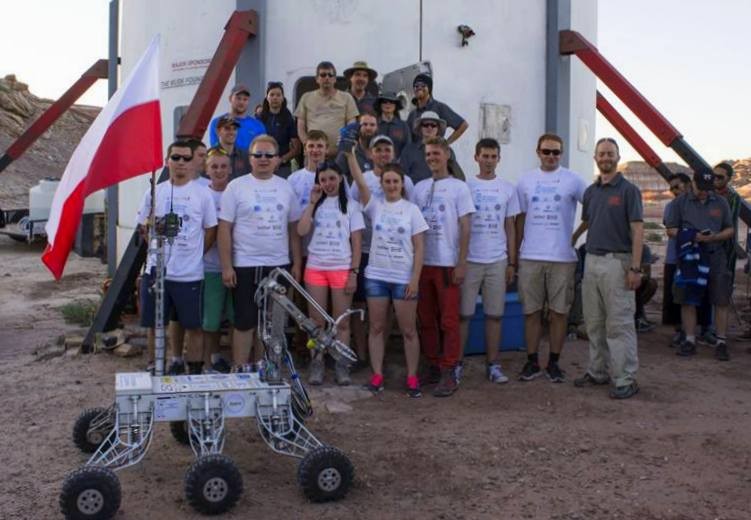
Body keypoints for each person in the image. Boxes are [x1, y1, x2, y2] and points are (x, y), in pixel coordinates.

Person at [218, 135, 303, 372]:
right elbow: (224, 228)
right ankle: (240, 369)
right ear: (250, 158)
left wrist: (296, 263)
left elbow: (294, 229)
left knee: (271, 322)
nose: (263, 159)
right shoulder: (236, 187)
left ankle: (263, 369)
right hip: (245, 264)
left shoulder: (285, 187)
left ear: (277, 159)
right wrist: (227, 266)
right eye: (258, 155)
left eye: (268, 155)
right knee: (245, 321)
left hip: (278, 265)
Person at [347, 151, 428, 398]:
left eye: (395, 181)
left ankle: (412, 377)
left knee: (408, 330)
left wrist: (415, 279)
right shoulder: (375, 206)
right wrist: (350, 154)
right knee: (376, 327)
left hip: (403, 278)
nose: (391, 185)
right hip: (377, 276)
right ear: (381, 184)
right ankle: (377, 375)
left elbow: (419, 247)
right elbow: (360, 182)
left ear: (402, 184)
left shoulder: (412, 210)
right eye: (387, 181)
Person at [136, 140, 218, 375]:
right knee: (155, 324)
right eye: (176, 157)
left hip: (189, 274)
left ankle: (194, 370)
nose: (181, 162)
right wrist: (155, 247)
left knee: (193, 325)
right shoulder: (154, 192)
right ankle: (154, 366)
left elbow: (210, 229)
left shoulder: (203, 194)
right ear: (167, 161)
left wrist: (196, 253)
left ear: (193, 162)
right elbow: (143, 227)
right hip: (157, 271)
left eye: (186, 158)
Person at [572, 138, 643, 400]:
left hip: (617, 262)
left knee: (619, 323)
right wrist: (572, 238)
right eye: (601, 154)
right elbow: (589, 221)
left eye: (610, 154)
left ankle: (625, 378)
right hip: (592, 261)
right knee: (594, 322)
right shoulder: (591, 192)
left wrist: (635, 268)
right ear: (595, 157)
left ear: (617, 157)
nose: (605, 158)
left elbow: (638, 230)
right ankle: (597, 371)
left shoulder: (628, 191)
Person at [516, 133, 587, 383]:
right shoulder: (525, 180)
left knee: (559, 313)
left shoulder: (573, 180)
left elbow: (592, 207)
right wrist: (516, 253)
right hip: (530, 256)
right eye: (546, 151)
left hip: (562, 258)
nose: (551, 156)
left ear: (561, 154)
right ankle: (532, 361)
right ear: (538, 152)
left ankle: (554, 362)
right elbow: (520, 218)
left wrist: (575, 236)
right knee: (531, 312)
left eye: (556, 152)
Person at [411, 136, 474, 397]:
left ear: (447, 155)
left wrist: (461, 262)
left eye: (436, 153)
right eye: (428, 154)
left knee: (448, 320)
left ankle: (449, 370)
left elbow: (466, 226)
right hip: (423, 263)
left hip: (447, 263)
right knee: (426, 319)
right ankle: (433, 365)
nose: (432, 158)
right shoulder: (419, 188)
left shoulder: (459, 188)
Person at [348, 135, 416, 364]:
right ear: (370, 153)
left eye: (387, 149)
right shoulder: (365, 183)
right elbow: (354, 204)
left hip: (396, 258)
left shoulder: (407, 186)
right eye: (378, 149)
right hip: (365, 252)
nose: (383, 153)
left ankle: (381, 354)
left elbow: (413, 218)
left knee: (387, 311)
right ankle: (362, 354)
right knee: (361, 306)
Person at [297, 161, 364, 386]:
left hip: (341, 268)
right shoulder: (316, 204)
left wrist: (354, 272)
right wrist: (311, 203)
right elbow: (301, 230)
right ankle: (317, 363)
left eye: (332, 178)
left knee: (341, 322)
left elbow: (357, 243)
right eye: (323, 180)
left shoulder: (352, 206)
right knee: (316, 322)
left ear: (341, 178)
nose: (328, 183)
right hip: (316, 267)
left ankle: (341, 365)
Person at [459, 138, 519, 384]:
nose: (489, 161)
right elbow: (460, 225)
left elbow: (510, 227)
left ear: (499, 159)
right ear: (476, 157)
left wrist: (512, 262)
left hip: (497, 260)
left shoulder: (507, 188)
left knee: (495, 315)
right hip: (470, 260)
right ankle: (457, 365)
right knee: (464, 315)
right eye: (485, 156)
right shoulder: (465, 187)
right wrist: (460, 260)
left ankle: (493, 365)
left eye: (493, 157)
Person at [665, 168, 735, 361]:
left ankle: (721, 342)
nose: (704, 192)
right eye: (700, 188)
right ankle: (689, 340)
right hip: (690, 256)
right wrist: (691, 236)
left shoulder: (720, 202)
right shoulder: (680, 202)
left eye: (707, 188)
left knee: (721, 299)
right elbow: (670, 229)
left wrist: (714, 237)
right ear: (692, 183)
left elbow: (730, 229)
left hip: (715, 255)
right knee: (688, 298)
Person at [201, 149, 234, 373]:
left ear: (230, 169)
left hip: (237, 265)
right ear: (207, 170)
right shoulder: (201, 195)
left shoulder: (237, 192)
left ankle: (234, 359)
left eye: (223, 166)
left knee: (236, 317)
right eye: (214, 166)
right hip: (210, 266)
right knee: (210, 320)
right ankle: (209, 361)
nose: (219, 170)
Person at [296, 61, 359, 158]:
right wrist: (308, 146)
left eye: (330, 75)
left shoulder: (346, 97)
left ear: (335, 79)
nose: (327, 78)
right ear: (317, 79)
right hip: (313, 155)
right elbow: (300, 127)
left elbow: (351, 126)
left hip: (339, 155)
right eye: (323, 75)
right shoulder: (306, 97)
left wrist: (343, 147)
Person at [400, 111, 463, 184]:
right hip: (416, 190)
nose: (429, 127)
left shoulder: (447, 150)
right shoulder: (409, 150)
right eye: (425, 125)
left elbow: (458, 176)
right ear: (420, 128)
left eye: (433, 125)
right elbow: (402, 176)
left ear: (438, 129)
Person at [405, 73, 468, 144]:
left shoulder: (440, 107)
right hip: (417, 151)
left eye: (423, 85)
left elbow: (463, 125)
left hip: (435, 150)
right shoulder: (412, 114)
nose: (419, 88)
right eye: (416, 86)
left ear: (429, 88)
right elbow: (406, 137)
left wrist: (446, 143)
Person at [257, 81, 300, 179]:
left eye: (278, 95)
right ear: (267, 97)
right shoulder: (259, 118)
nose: (275, 98)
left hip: (282, 167)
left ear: (282, 98)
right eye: (272, 95)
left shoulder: (288, 119)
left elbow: (296, 148)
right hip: (262, 164)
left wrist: (281, 160)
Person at [209, 83, 267, 151]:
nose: (241, 102)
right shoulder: (217, 122)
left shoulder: (258, 125)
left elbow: (262, 149)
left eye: (245, 99)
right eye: (238, 98)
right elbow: (215, 149)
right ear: (230, 98)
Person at [335, 112, 377, 179]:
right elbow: (336, 175)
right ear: (358, 127)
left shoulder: (384, 151)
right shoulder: (347, 151)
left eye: (372, 125)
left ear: (377, 128)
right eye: (365, 124)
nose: (368, 128)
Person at [210, 115, 250, 180]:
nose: (232, 132)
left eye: (234, 129)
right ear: (218, 131)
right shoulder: (209, 157)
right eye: (227, 128)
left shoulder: (245, 156)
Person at [374, 91, 411, 158]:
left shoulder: (403, 126)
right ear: (380, 105)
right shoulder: (373, 124)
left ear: (395, 105)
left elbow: (408, 147)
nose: (388, 104)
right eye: (385, 102)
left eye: (391, 102)